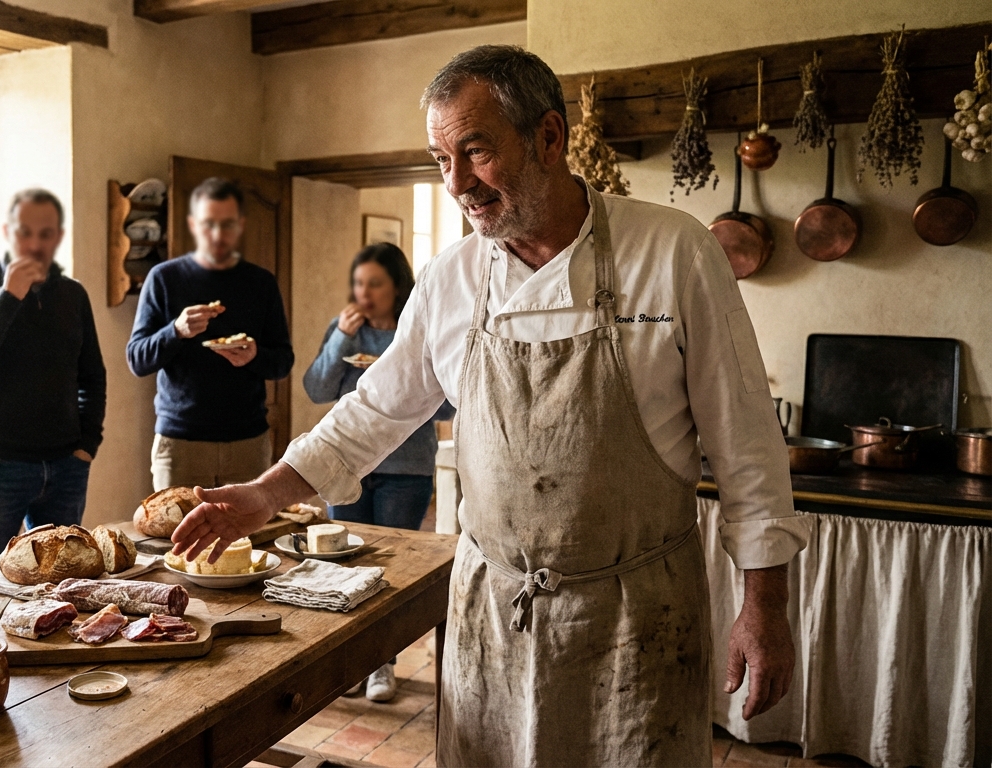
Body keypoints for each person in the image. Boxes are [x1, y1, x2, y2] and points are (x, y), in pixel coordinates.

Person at [170, 45, 809, 767]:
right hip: (492, 615)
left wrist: (766, 607)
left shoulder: (672, 254)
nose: (458, 183)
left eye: (475, 151)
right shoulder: (451, 279)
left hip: (637, 615)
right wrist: (265, 494)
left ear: (548, 138)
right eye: (442, 159)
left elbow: (747, 446)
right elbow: (373, 411)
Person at [302, 242, 455, 702]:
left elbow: (446, 402)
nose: (363, 294)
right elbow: (316, 389)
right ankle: (350, 661)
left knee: (388, 570)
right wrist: (340, 340)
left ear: (397, 287)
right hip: (347, 469)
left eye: (374, 284)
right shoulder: (345, 330)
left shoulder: (418, 329)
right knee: (343, 566)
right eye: (358, 283)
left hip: (405, 470)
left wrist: (402, 392)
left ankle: (383, 665)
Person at [0, 188, 106, 565]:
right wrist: (8, 296)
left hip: (65, 467)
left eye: (45, 234)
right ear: (7, 232)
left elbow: (93, 376)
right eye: (24, 232)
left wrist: (86, 447)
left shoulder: (73, 295)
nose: (34, 243)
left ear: (58, 237)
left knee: (62, 586)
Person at [126, 177, 293, 491]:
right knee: (179, 540)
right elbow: (137, 359)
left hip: (248, 442)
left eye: (227, 224)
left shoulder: (261, 283)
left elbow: (283, 362)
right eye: (209, 224)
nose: (218, 235)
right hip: (180, 443)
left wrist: (255, 355)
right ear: (192, 224)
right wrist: (175, 331)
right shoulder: (163, 278)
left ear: (240, 224)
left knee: (250, 541)